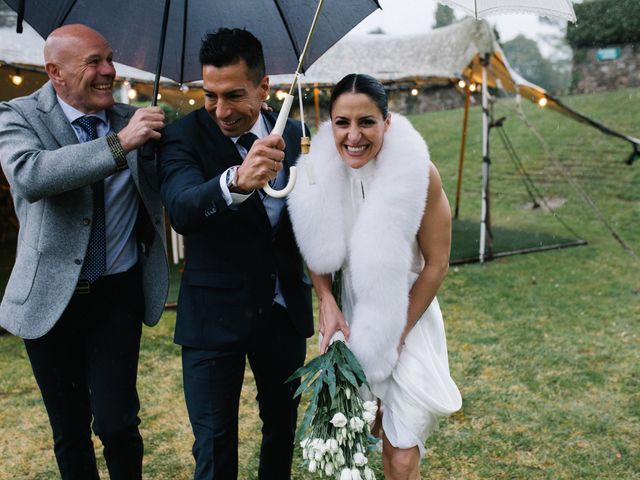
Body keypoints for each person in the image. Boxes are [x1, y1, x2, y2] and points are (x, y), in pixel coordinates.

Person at [0, 24, 169, 480]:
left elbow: (179, 178)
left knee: (118, 424)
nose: (109, 71)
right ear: (55, 72)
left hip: (117, 294)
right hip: (49, 299)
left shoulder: (133, 118)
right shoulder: (16, 115)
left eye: (109, 58)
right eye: (94, 62)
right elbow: (32, 176)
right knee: (69, 430)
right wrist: (120, 145)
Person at [287, 73, 462, 480]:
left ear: (387, 121)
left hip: (410, 316)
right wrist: (326, 301)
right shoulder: (318, 173)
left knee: (401, 454)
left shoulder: (419, 175)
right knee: (360, 439)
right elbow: (317, 246)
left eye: (366, 121)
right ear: (330, 124)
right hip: (350, 317)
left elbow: (436, 264)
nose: (354, 136)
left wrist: (396, 331)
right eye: (342, 123)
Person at [158, 28, 314, 480]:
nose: (221, 110)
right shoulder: (182, 137)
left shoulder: (300, 135)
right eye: (210, 95)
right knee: (213, 441)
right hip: (212, 317)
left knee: (281, 430)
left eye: (234, 95)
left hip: (283, 312)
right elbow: (183, 208)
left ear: (264, 88)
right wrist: (235, 182)